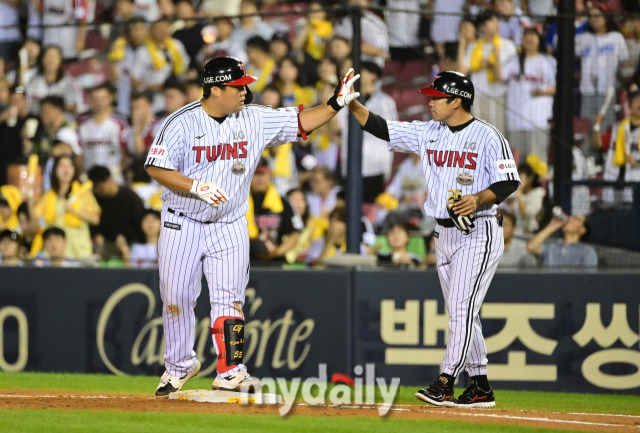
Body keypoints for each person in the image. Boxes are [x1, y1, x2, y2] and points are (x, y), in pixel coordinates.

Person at [144, 56, 359, 397]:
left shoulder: (253, 117)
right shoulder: (180, 123)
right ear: (215, 89)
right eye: (238, 87)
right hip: (181, 221)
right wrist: (196, 186)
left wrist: (335, 103)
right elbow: (156, 168)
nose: (245, 91)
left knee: (229, 299)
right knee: (176, 299)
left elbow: (302, 122)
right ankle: (179, 365)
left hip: (229, 222)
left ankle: (231, 370)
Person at [348, 70, 520, 407]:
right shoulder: (429, 132)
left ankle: (446, 380)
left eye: (437, 97)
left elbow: (508, 182)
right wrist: (351, 103)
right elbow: (379, 126)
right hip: (442, 231)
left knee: (460, 309)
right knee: (463, 311)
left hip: (478, 228)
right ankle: (480, 384)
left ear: (457, 101)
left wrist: (479, 198)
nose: (429, 102)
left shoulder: (487, 136)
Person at [33, 155, 100, 261]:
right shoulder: (48, 196)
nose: (66, 169)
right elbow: (35, 220)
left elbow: (96, 219)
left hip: (79, 251)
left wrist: (74, 211)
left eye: (70, 166)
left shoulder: (83, 193)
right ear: (55, 170)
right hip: (53, 253)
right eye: (62, 166)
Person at [247, 158, 302, 263]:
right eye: (256, 174)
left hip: (276, 263)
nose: (259, 179)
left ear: (269, 174)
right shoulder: (239, 203)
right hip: (247, 262)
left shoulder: (282, 202)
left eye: (263, 174)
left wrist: (276, 253)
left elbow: (295, 233)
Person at [87, 165, 145, 260]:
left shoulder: (130, 196)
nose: (98, 192)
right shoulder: (95, 199)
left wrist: (127, 244)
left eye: (100, 188)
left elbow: (140, 222)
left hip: (131, 243)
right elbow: (94, 225)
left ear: (109, 180)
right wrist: (97, 235)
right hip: (107, 245)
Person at [526, 211, 598, 268]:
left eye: (576, 218)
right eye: (571, 216)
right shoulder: (552, 247)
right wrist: (551, 226)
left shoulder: (587, 252)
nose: (570, 218)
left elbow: (588, 280)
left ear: (582, 230)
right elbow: (531, 247)